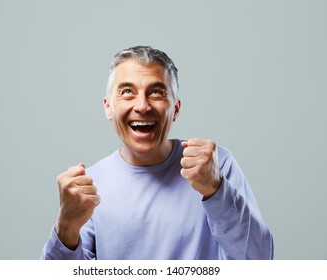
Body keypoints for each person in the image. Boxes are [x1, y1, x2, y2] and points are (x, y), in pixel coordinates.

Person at [41, 46, 274, 260]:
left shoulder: (217, 165)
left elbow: (259, 260)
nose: (142, 106)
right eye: (127, 92)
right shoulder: (90, 187)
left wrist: (217, 189)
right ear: (108, 108)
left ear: (176, 109)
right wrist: (65, 228)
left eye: (156, 92)